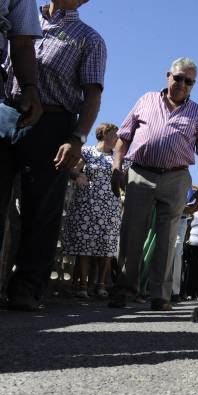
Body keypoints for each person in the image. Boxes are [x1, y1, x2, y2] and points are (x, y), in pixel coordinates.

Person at [0, 0, 106, 310]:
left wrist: (77, 138)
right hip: (8, 112)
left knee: (41, 209)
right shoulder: (21, 15)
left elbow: (93, 95)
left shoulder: (89, 39)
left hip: (52, 122)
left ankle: (27, 288)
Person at [108, 57, 198, 311]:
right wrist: (116, 167)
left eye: (189, 82)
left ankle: (160, 295)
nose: (183, 84)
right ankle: (123, 289)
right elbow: (123, 138)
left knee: (167, 238)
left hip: (176, 178)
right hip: (141, 173)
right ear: (168, 76)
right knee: (132, 232)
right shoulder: (145, 100)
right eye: (178, 78)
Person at [62, 123, 121, 298]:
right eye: (114, 134)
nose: (117, 137)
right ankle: (82, 285)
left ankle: (101, 285)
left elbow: (124, 179)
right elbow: (72, 168)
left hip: (110, 207)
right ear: (103, 134)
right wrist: (77, 175)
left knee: (107, 246)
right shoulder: (87, 152)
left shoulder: (117, 158)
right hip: (86, 204)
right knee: (85, 245)